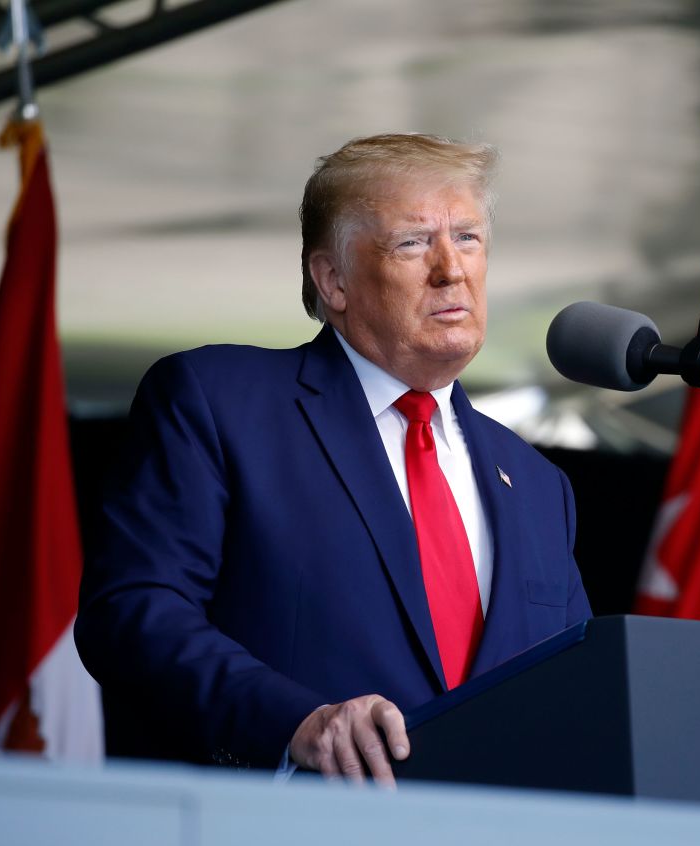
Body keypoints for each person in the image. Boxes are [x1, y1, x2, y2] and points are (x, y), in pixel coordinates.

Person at [75, 133, 593, 786]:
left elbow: (578, 688)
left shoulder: (539, 486)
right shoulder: (218, 402)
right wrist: (296, 723)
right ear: (333, 279)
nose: (451, 268)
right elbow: (133, 612)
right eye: (413, 242)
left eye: (468, 238)